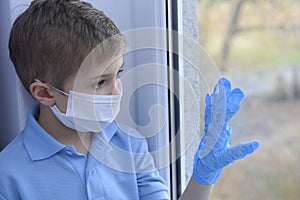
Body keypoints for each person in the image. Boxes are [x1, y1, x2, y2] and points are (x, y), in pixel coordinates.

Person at [0, 0, 260, 199]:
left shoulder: (130, 145)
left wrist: (204, 176)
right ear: (45, 93)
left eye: (118, 74)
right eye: (101, 82)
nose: (116, 91)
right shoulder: (8, 175)